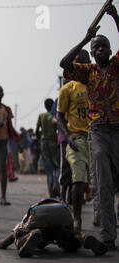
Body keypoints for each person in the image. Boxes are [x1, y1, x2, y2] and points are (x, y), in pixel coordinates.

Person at [60, 3, 119, 250]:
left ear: (110, 50)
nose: (101, 49)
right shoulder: (88, 72)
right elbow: (64, 63)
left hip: (118, 128)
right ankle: (107, 234)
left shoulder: (116, 66)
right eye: (97, 47)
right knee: (102, 182)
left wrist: (116, 18)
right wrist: (85, 38)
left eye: (104, 46)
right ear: (93, 53)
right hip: (98, 132)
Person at [0, 199, 107, 258]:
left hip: (40, 215)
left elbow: (5, 243)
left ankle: (29, 237)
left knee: (18, 236)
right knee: (70, 239)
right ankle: (82, 237)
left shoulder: (28, 216)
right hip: (63, 213)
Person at [56, 50, 91, 232]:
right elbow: (60, 116)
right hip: (77, 138)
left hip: (98, 136)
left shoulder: (96, 84)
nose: (80, 67)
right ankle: (77, 219)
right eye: (77, 63)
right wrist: (68, 136)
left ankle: (103, 215)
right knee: (77, 179)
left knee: (102, 181)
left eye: (83, 63)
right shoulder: (67, 89)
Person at [36, 98, 60, 198]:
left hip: (43, 142)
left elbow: (37, 129)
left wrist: (39, 140)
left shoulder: (41, 116)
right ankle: (56, 183)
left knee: (48, 168)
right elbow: (59, 128)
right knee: (58, 166)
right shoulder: (53, 116)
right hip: (53, 142)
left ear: (45, 106)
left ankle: (51, 193)